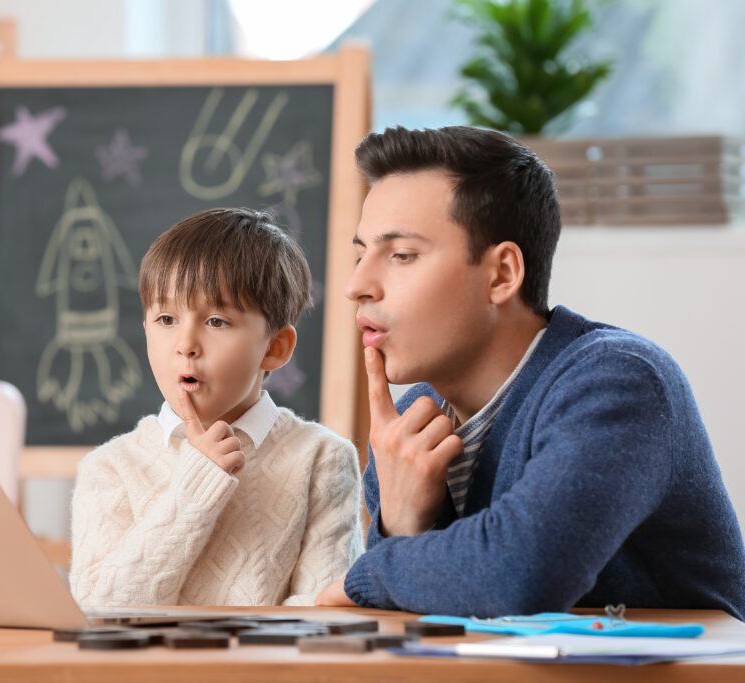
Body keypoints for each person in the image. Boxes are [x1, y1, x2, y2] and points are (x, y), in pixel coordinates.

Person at [316, 125, 745, 620]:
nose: (357, 285)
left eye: (402, 255)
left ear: (502, 274)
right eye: (359, 255)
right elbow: (425, 615)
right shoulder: (410, 429)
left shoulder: (617, 382)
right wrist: (400, 524)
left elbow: (518, 574)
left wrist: (369, 571)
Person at [70, 208, 364, 607]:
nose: (185, 343)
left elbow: (322, 615)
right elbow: (96, 610)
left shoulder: (321, 457)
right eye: (167, 318)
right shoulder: (109, 468)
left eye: (216, 322)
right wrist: (195, 488)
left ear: (275, 348)